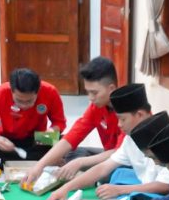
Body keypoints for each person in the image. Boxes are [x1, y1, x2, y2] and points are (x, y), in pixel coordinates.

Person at [44, 84, 169, 200]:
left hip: (161, 196)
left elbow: (167, 186)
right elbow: (103, 168)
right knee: (114, 174)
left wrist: (120, 190)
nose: (119, 125)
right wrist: (65, 188)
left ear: (140, 114)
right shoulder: (129, 139)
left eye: (122, 119)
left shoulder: (164, 138)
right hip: (144, 185)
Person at [23, 56, 122, 184]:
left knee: (105, 173)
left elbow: (122, 152)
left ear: (111, 89)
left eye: (94, 93)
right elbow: (72, 137)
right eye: (88, 92)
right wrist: (39, 166)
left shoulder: (128, 110)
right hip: (108, 154)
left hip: (124, 160)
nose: (90, 98)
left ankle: (90, 177)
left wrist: (80, 162)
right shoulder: (97, 106)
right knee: (71, 151)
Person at [0, 68, 67, 162]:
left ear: (38, 90)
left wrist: (51, 131)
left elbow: (59, 122)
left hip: (38, 139)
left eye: (29, 101)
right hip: (7, 140)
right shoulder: (0, 93)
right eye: (19, 100)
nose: (24, 106)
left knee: (65, 142)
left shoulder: (50, 91)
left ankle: (18, 160)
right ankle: (39, 161)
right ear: (11, 90)